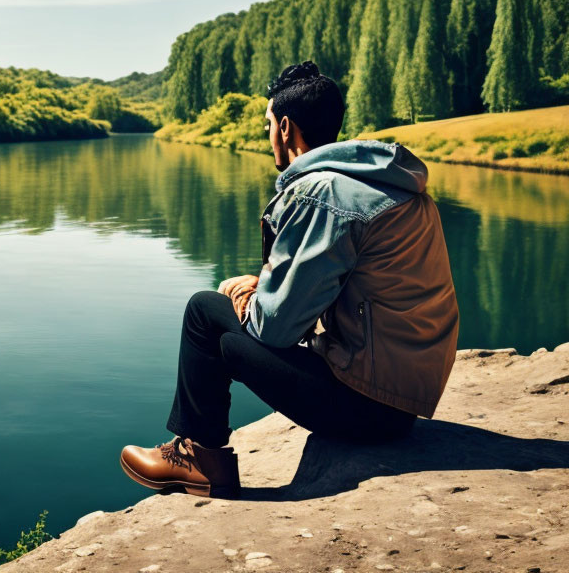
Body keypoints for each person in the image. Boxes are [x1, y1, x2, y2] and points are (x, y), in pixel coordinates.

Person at [119, 61, 460, 498]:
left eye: (267, 126)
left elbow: (275, 329)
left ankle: (199, 459)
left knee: (206, 312)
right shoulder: (386, 184)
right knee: (226, 326)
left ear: (284, 127)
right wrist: (262, 291)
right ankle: (200, 457)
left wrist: (248, 295)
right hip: (400, 403)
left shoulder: (324, 193)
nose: (267, 137)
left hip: (367, 408)